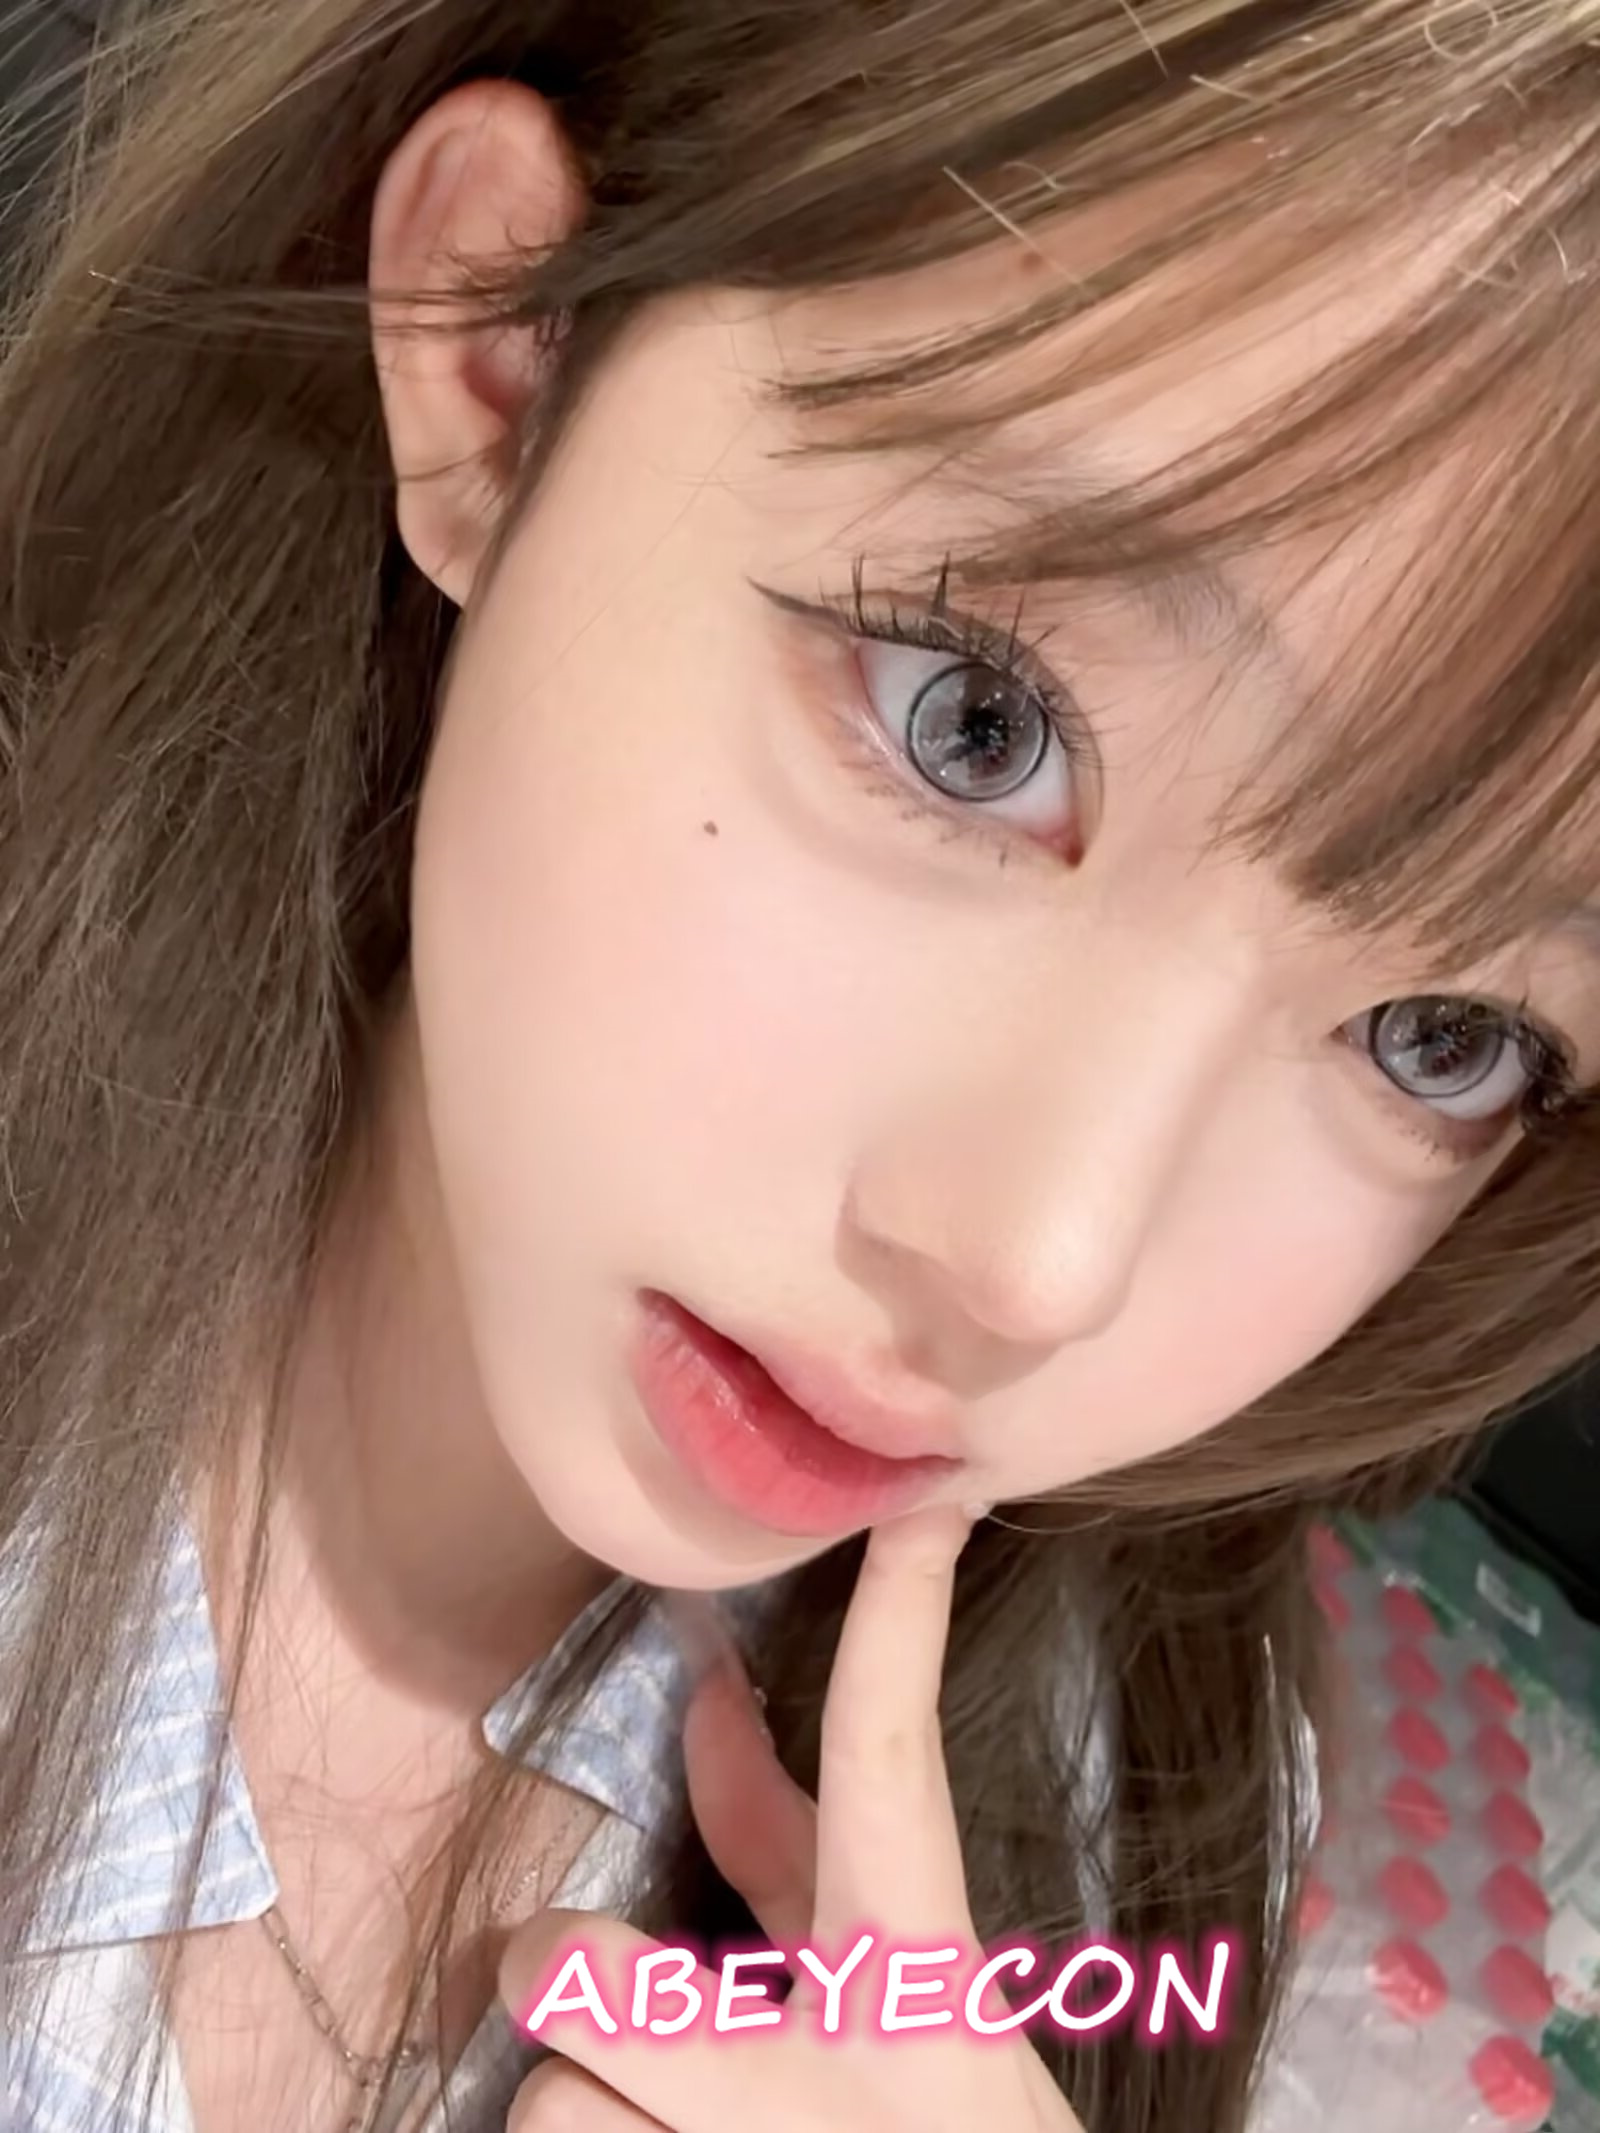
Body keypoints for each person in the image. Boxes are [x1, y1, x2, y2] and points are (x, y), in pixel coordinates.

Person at [2, 0, 1599, 2128]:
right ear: (502, 351)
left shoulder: (1112, 1807)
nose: (1040, 1262)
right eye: (974, 720)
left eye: (1441, 1038)